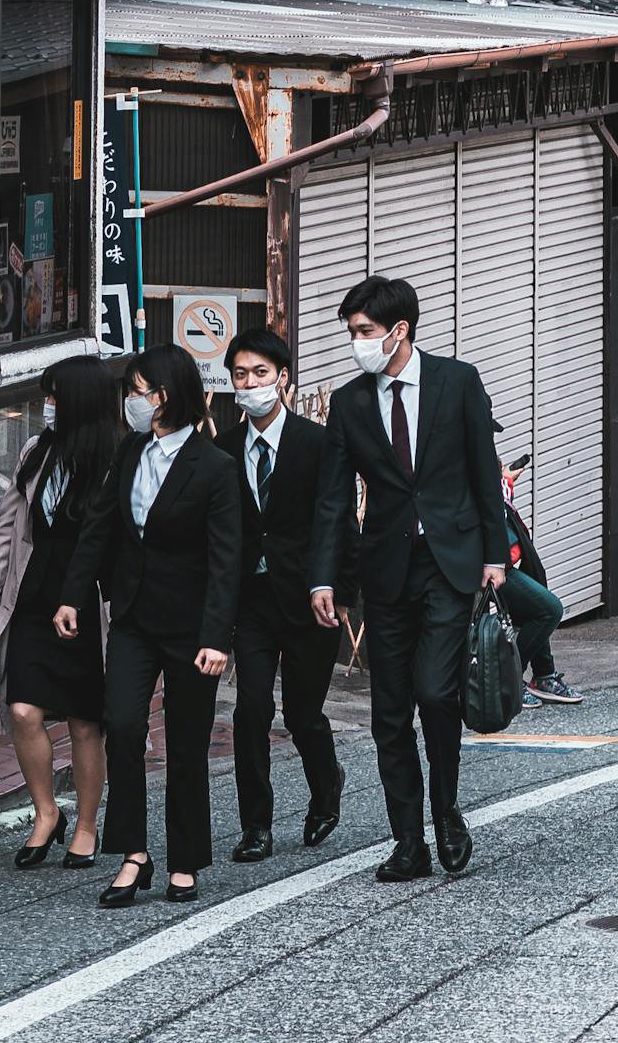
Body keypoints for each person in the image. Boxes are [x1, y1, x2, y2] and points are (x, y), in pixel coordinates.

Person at [309, 275, 508, 881]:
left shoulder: (457, 381)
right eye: (351, 333)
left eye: (365, 332)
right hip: (386, 570)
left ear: (400, 331)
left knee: (435, 692)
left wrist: (495, 556)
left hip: (450, 564)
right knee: (388, 713)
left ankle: (447, 810)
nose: (357, 343)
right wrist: (324, 580)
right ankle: (408, 841)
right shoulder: (350, 403)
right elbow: (332, 501)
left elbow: (484, 471)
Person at [56, 346, 241, 908]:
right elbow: (99, 528)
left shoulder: (214, 468)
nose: (131, 402)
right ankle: (134, 853)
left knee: (186, 744)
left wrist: (216, 638)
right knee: (125, 726)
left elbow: (225, 560)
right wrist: (72, 598)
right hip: (133, 617)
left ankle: (184, 859)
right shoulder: (131, 451)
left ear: (164, 396)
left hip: (190, 628)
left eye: (137, 391)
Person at [0, 354, 116, 870]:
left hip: (89, 606)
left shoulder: (115, 459)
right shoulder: (35, 451)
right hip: (31, 599)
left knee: (84, 723)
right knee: (23, 710)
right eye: (46, 396)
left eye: (55, 397)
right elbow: (6, 529)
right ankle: (46, 812)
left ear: (81, 402)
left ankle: (89, 824)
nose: (47, 406)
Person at [218, 328, 351, 864]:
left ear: (283, 380)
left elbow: (338, 523)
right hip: (250, 601)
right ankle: (256, 826)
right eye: (240, 375)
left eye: (260, 374)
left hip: (308, 598)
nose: (249, 384)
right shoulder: (222, 451)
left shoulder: (318, 446)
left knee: (302, 714)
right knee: (250, 710)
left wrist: (339, 590)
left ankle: (326, 788)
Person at [494, 456, 585, 709]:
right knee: (549, 609)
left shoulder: (481, 454)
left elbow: (497, 499)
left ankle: (543, 675)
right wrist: (503, 480)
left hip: (505, 561)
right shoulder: (466, 457)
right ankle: (508, 679)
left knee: (537, 592)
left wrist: (505, 479)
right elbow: (490, 501)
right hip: (490, 567)